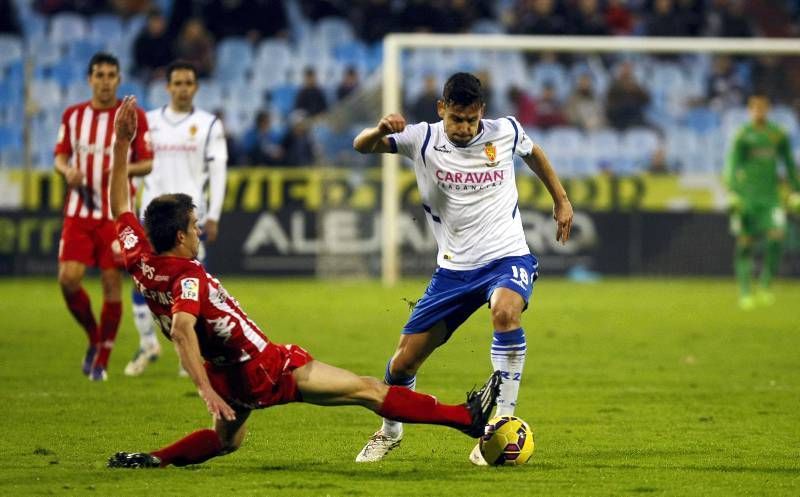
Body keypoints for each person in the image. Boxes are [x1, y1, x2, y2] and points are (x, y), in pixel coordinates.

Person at [105, 96, 501, 468]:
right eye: (193, 227)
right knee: (368, 390)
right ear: (178, 237)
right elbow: (182, 328)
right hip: (263, 367)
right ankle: (465, 417)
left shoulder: (139, 257)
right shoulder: (187, 278)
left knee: (228, 441)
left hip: (227, 374)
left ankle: (154, 459)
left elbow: (120, 203)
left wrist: (123, 143)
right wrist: (203, 390)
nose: (198, 233)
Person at [352, 72, 573, 465]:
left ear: (481, 113)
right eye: (456, 119)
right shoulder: (422, 138)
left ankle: (503, 417)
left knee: (506, 312)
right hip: (453, 271)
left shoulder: (504, 131)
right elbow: (361, 146)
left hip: (507, 256)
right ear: (442, 109)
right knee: (403, 363)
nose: (464, 128)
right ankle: (390, 431)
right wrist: (379, 129)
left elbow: (535, 152)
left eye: (471, 120)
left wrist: (561, 199)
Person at [125, 61, 228, 377]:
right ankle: (148, 343)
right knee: (142, 278)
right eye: (178, 83)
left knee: (193, 284)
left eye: (188, 83)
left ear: (195, 87)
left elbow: (218, 171)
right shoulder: (149, 122)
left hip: (189, 217)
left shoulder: (209, 124)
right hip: (153, 215)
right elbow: (137, 169)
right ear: (167, 87)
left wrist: (213, 214)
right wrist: (130, 208)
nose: (183, 88)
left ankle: (194, 351)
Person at [54, 52, 153, 382]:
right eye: (100, 74)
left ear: (119, 79)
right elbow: (60, 155)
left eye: (112, 74)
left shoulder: (132, 115)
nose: (106, 80)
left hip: (115, 214)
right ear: (90, 79)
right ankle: (94, 337)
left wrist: (121, 167)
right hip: (79, 211)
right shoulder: (73, 115)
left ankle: (102, 359)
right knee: (68, 280)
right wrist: (67, 170)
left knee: (112, 282)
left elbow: (147, 162)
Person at [723, 95, 800, 310]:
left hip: (771, 198)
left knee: (777, 236)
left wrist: (796, 190)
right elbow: (731, 164)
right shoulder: (743, 135)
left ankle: (765, 286)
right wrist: (732, 191)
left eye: (762, 109)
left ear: (767, 110)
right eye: (754, 109)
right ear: (749, 111)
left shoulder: (777, 135)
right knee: (745, 243)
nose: (758, 113)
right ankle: (745, 292)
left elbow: (789, 164)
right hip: (747, 198)